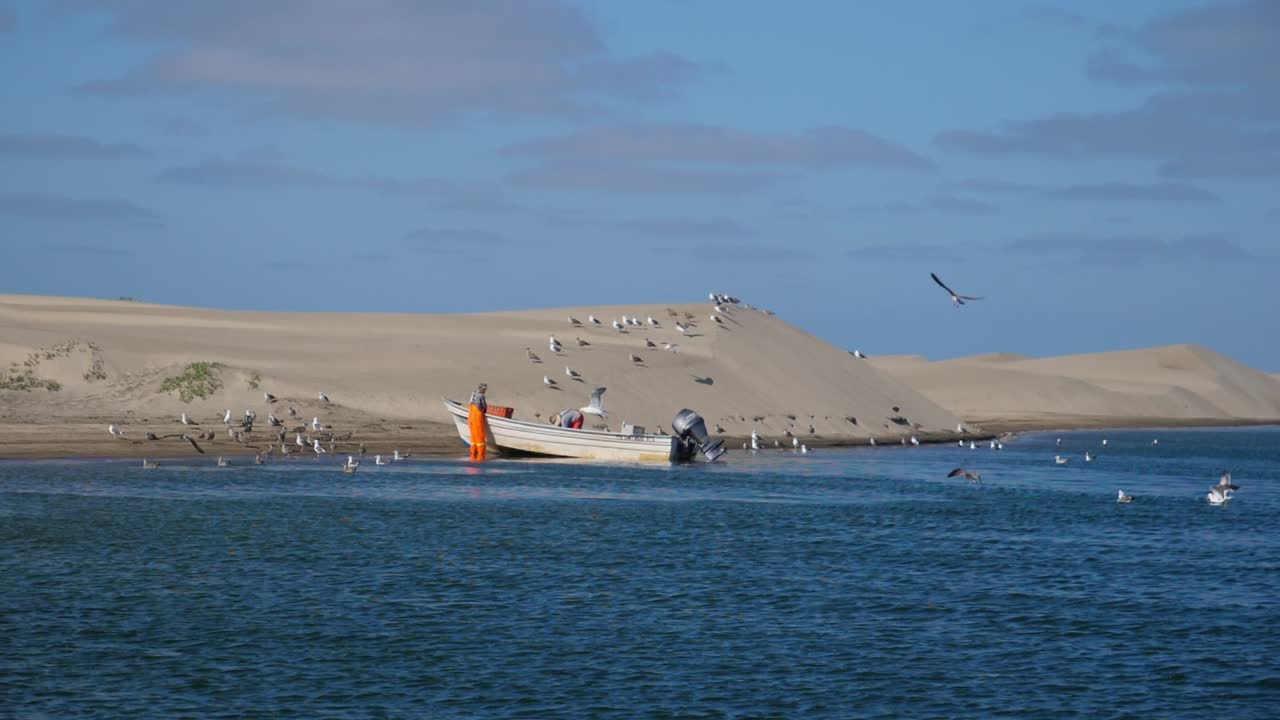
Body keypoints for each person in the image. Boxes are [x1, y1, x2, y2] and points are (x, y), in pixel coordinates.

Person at [468, 383, 490, 461]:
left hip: (470, 417)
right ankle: (481, 457)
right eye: (484, 389)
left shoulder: (473, 393)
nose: (484, 391)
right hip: (477, 418)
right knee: (480, 438)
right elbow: (483, 407)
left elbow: (470, 403)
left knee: (473, 438)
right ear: (480, 388)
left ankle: (473, 456)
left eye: (485, 389)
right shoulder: (481, 396)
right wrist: (484, 411)